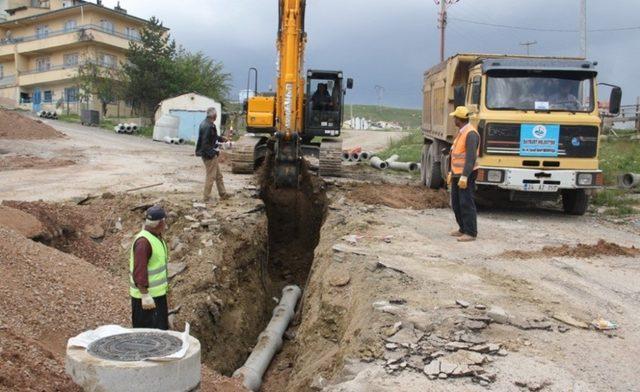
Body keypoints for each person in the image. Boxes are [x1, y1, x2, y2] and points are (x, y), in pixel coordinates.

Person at [130, 206, 170, 330]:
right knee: (147, 336)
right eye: (164, 221)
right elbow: (139, 270)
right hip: (147, 300)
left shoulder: (155, 236)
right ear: (160, 223)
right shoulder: (144, 242)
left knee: (160, 332)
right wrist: (145, 295)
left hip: (157, 296)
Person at [447, 106, 480, 242]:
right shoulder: (462, 132)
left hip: (467, 174)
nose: (453, 119)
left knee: (466, 202)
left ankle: (470, 232)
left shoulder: (470, 133)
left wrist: (465, 176)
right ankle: (462, 228)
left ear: (460, 119)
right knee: (456, 202)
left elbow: (470, 158)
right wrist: (451, 172)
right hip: (457, 173)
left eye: (455, 117)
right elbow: (455, 154)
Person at [196, 107, 230, 202]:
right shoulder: (208, 126)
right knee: (211, 176)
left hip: (209, 154)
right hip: (209, 155)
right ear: (214, 116)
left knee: (218, 175)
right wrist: (213, 153)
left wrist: (221, 138)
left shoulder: (207, 124)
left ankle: (223, 194)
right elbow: (205, 144)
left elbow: (213, 137)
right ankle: (206, 197)